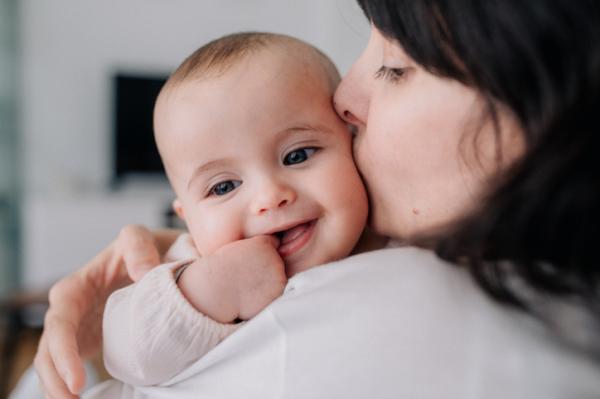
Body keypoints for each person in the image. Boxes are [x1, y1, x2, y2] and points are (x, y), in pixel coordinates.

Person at [32, 0, 600, 398]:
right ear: (185, 212)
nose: (346, 98)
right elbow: (129, 347)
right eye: (224, 186)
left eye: (396, 67)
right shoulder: (197, 262)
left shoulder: (460, 312)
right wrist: (196, 288)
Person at [91, 31, 381, 394]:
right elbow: (126, 355)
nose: (270, 197)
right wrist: (209, 290)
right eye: (224, 187)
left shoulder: (385, 239)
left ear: (352, 141)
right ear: (187, 219)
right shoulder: (192, 262)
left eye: (298, 155)